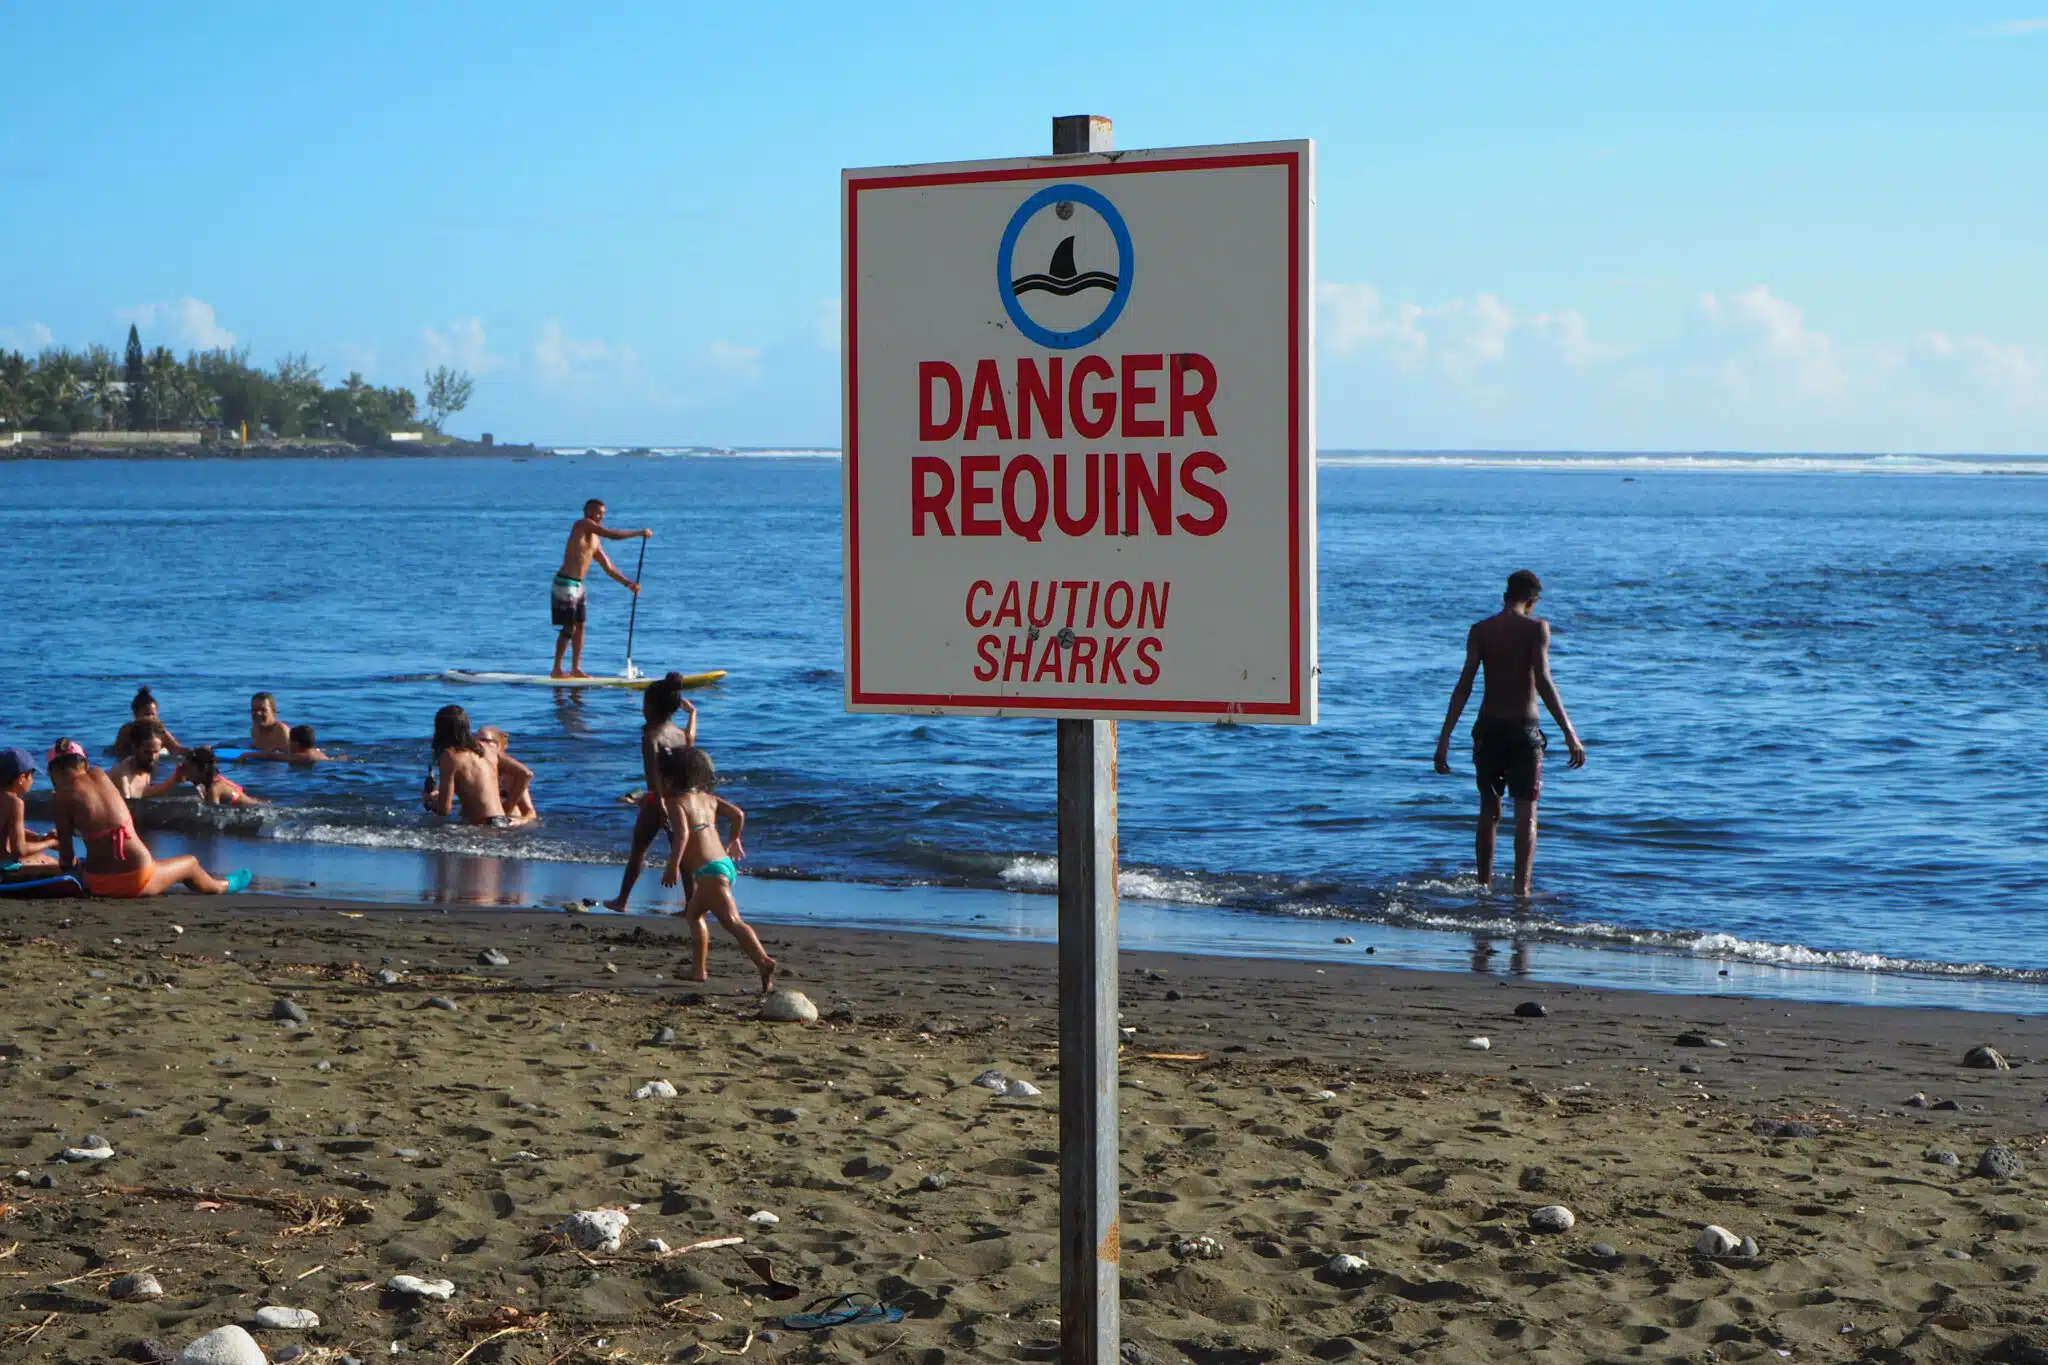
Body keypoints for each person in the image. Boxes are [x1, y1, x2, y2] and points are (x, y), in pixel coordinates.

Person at [1433, 570, 1587, 898]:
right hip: (1523, 731)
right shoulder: (1536, 629)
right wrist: (1569, 732)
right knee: (1526, 813)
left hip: (1487, 730)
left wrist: (1445, 736)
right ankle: (1522, 891)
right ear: (1532, 601)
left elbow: (1464, 686)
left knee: (1489, 810)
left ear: (1506, 595)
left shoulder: (1480, 631)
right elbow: (1543, 680)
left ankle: (1483, 886)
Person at [48, 742, 250, 897]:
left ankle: (220, 886)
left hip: (99, 883)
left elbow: (67, 860)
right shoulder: (100, 775)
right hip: (137, 877)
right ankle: (221, 886)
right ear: (85, 763)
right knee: (190, 863)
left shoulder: (60, 797)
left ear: (53, 771)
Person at [660, 746, 775, 992]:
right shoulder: (708, 799)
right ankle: (698, 970)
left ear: (670, 779)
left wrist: (672, 866)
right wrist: (734, 839)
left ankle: (763, 960)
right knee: (694, 915)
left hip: (711, 872)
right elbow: (738, 814)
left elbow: (682, 835)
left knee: (732, 921)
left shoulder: (676, 801)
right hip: (722, 865)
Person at [604, 671, 697, 912]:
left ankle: (622, 901)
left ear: (652, 706)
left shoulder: (651, 735)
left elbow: (651, 773)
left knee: (639, 850)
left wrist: (656, 802)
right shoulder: (678, 734)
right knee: (682, 853)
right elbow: (691, 741)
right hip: (680, 799)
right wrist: (694, 714)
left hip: (658, 800)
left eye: (645, 703)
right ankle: (691, 903)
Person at [552, 498, 651, 679]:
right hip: (565, 582)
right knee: (569, 627)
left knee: (580, 627)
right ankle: (557, 669)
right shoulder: (581, 525)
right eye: (599, 513)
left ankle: (575, 668)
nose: (601, 517)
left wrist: (628, 584)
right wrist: (638, 533)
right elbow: (612, 534)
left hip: (578, 585)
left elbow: (609, 567)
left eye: (603, 514)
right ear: (589, 512)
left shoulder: (595, 540)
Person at [423, 705, 512, 827]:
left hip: (482, 826)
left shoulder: (450, 755)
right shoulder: (487, 749)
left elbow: (444, 810)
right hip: (503, 821)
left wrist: (428, 801)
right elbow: (525, 773)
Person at [1, 747, 59, 867]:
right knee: (51, 862)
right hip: (3, 869)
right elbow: (19, 851)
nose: (32, 780)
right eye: (32, 776)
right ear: (22, 778)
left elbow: (7, 827)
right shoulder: (15, 803)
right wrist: (51, 843)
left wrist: (40, 838)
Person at [476, 726, 538, 825]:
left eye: (484, 740)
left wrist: (519, 820)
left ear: (499, 745)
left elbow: (530, 813)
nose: (478, 745)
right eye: (475, 740)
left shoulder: (513, 775)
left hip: (509, 824)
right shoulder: (475, 771)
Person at [108, 722, 180, 800]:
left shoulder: (144, 765)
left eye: (156, 752)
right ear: (135, 748)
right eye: (147, 752)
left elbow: (144, 792)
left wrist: (174, 779)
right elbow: (128, 805)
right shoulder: (122, 777)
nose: (152, 757)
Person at [113, 686, 184, 760]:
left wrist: (193, 753)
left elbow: (177, 749)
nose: (150, 718)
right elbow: (119, 754)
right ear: (135, 714)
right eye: (147, 714)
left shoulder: (159, 730)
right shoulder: (126, 730)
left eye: (153, 714)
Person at [177, 747, 264, 806]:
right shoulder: (211, 780)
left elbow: (212, 818)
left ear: (202, 770)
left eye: (187, 768)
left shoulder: (214, 789)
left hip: (260, 810)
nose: (184, 771)